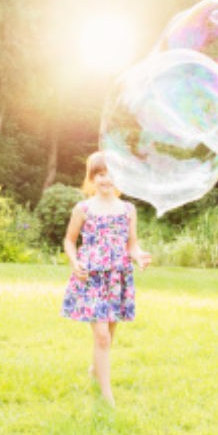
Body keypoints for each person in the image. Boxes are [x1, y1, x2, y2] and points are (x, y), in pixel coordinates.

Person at [61, 151, 151, 406]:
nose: (106, 179)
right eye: (100, 174)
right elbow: (69, 239)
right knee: (101, 336)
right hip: (91, 277)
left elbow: (132, 245)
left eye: (110, 174)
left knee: (109, 335)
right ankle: (106, 396)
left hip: (117, 278)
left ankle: (95, 369)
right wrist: (74, 260)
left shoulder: (128, 210)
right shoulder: (84, 208)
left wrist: (139, 255)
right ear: (92, 178)